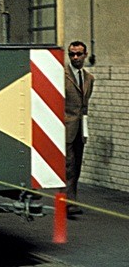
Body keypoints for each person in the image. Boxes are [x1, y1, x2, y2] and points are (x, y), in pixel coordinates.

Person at [64, 40, 95, 217]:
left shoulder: (89, 78)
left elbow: (84, 105)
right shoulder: (61, 75)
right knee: (67, 165)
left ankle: (72, 201)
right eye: (71, 54)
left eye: (78, 54)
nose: (75, 57)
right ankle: (67, 204)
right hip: (66, 127)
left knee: (76, 166)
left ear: (85, 55)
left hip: (80, 128)